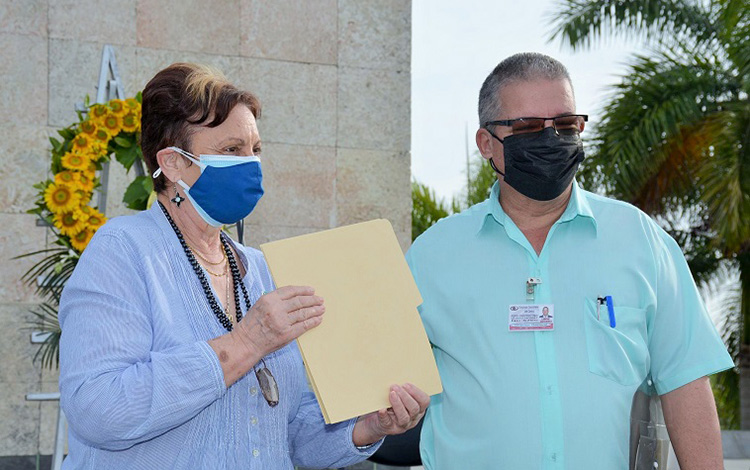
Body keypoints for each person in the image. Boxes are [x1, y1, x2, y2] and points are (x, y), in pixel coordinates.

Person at [58, 62, 429, 469]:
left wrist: (368, 426)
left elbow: (286, 437)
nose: (250, 164)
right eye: (232, 150)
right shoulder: (123, 250)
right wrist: (246, 344)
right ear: (174, 163)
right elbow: (99, 408)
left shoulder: (260, 268)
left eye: (255, 150)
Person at [406, 52, 733, 469]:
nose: (549, 139)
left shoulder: (639, 240)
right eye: (526, 127)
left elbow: (685, 381)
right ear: (486, 143)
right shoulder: (433, 256)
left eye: (564, 125)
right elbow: (383, 388)